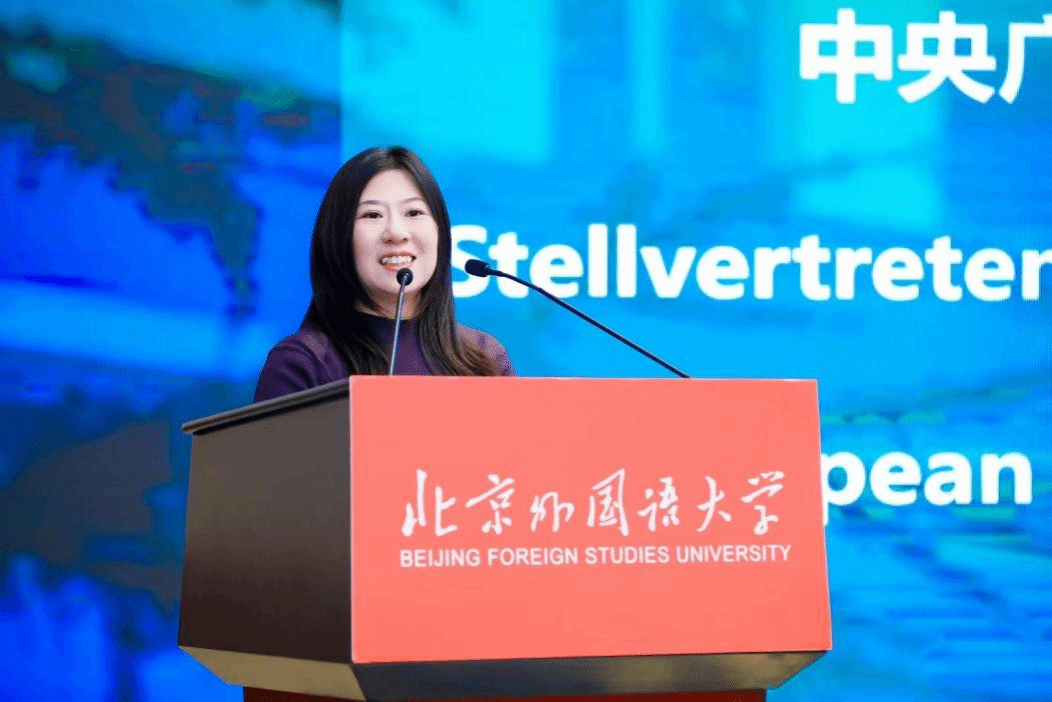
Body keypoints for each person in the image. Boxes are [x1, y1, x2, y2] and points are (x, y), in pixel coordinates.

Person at [253, 146, 514, 402]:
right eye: (372, 215)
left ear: (441, 233)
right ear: (338, 238)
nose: (396, 233)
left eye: (414, 212)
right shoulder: (302, 364)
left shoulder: (484, 358)